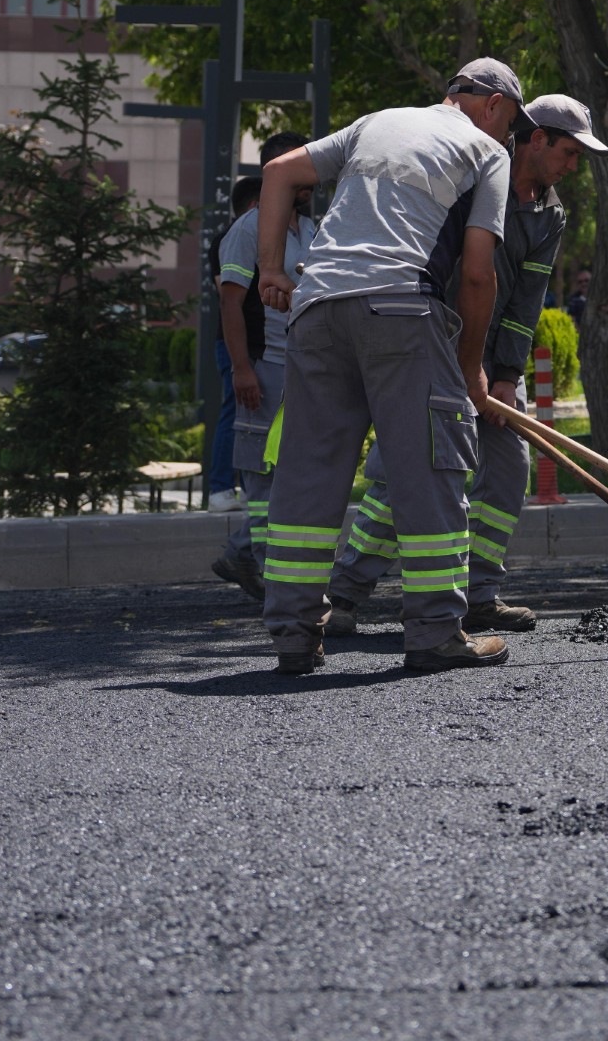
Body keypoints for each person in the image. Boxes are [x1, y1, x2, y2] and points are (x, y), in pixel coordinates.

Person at [256, 58, 526, 675]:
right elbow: (479, 272)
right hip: (401, 310)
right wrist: (470, 372)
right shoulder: (488, 155)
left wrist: (272, 269)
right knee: (429, 466)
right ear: (490, 107)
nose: (509, 137)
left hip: (317, 308)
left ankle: (294, 636)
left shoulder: (374, 123)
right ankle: (434, 633)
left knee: (310, 472)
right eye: (510, 123)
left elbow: (277, 172)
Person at [327, 93, 603, 637]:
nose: (574, 167)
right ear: (537, 138)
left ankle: (477, 594)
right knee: (403, 475)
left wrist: (505, 377)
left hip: (492, 365)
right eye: (570, 152)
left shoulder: (551, 213)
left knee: (508, 471)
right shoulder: (473, 176)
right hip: (432, 345)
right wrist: (458, 362)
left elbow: (528, 301)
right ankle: (344, 595)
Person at [210, 133, 315, 601]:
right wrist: (241, 370)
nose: (310, 176)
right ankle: (275, 583)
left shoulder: (311, 230)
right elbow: (230, 304)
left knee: (293, 471)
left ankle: (244, 553)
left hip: (303, 369)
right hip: (264, 365)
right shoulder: (248, 229)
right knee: (260, 472)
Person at [204, 177, 262, 518]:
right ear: (255, 206)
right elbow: (227, 297)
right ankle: (221, 488)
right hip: (235, 344)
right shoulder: (232, 237)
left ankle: (234, 487)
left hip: (249, 344)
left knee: (245, 415)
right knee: (234, 412)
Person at [564, 267, 591, 331]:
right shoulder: (573, 300)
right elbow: (572, 319)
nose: (583, 283)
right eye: (580, 282)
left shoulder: (601, 298)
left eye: (586, 280)